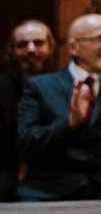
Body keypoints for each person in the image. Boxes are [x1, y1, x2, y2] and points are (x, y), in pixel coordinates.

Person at [16, 14, 101, 201]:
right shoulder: (40, 86)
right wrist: (69, 123)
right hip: (50, 191)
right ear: (74, 47)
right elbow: (26, 146)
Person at [1, 20, 55, 201]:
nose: (31, 50)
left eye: (39, 43)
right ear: (11, 51)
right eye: (22, 45)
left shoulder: (65, 84)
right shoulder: (3, 87)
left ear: (51, 48)